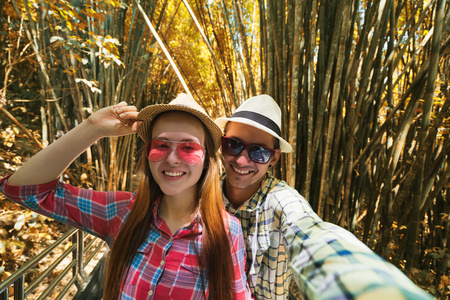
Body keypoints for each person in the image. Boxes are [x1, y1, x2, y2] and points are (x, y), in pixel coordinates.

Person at [0, 93, 252, 299]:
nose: (172, 158)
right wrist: (93, 128)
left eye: (188, 148)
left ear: (207, 160)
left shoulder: (227, 231)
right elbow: (25, 190)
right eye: (161, 145)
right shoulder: (123, 211)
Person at [215, 94, 433, 299]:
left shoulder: (281, 201)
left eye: (258, 151)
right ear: (221, 143)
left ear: (274, 158)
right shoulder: (202, 195)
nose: (242, 161)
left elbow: (311, 236)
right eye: (233, 144)